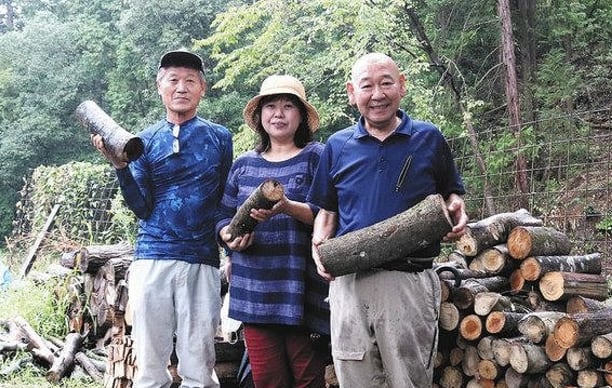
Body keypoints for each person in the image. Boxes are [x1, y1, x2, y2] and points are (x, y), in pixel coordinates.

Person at [307, 52, 468, 388]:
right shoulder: (337, 145)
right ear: (352, 92)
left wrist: (457, 212)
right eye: (367, 86)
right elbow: (327, 210)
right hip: (349, 282)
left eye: (386, 83)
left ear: (402, 86)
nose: (377, 94)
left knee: (407, 378)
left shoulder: (428, 138)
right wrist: (318, 245)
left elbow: (452, 194)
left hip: (407, 279)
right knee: (355, 375)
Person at [91, 49, 233, 388]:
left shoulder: (219, 137)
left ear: (203, 88)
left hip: (202, 260)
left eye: (190, 81)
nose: (181, 87)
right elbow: (141, 207)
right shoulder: (143, 141)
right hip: (152, 258)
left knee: (199, 366)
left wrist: (230, 252)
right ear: (160, 87)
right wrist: (120, 168)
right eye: (173, 80)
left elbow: (224, 201)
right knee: (150, 368)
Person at [216, 75, 330, 388]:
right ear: (261, 115)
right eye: (271, 106)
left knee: (308, 378)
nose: (278, 113)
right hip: (254, 293)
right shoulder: (243, 165)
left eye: (288, 106)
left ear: (301, 116)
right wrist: (228, 237)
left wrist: (289, 207)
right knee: (267, 380)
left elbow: (329, 215)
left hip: (301, 290)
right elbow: (222, 216)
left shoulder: (316, 157)